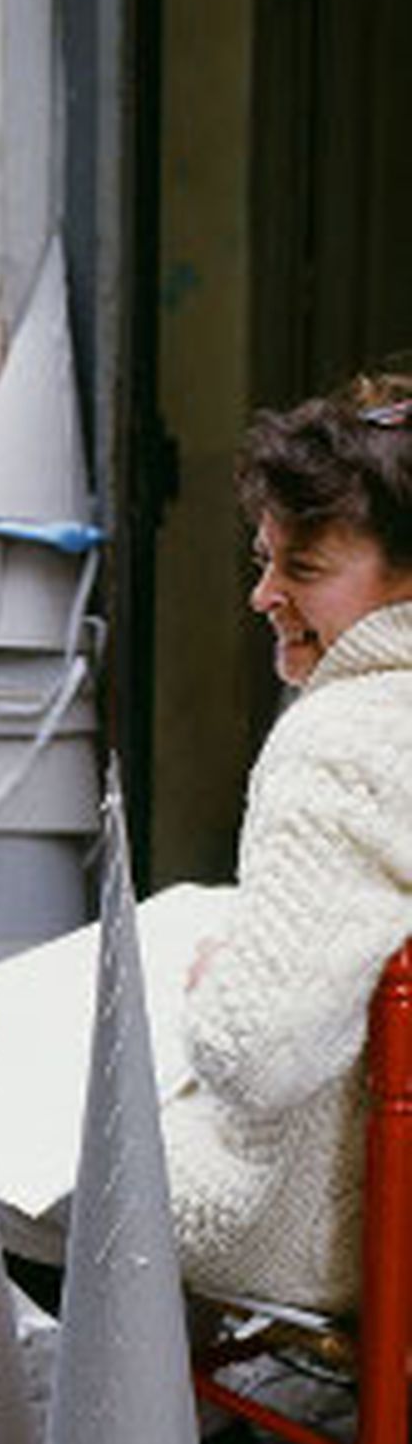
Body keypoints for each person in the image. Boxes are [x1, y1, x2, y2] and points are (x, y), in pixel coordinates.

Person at [161, 370, 412, 1313]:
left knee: (5, 1134)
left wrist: (218, 983)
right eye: (262, 559)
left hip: (344, 1233)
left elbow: (258, 1053)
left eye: (302, 571)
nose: (264, 594)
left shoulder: (340, 741)